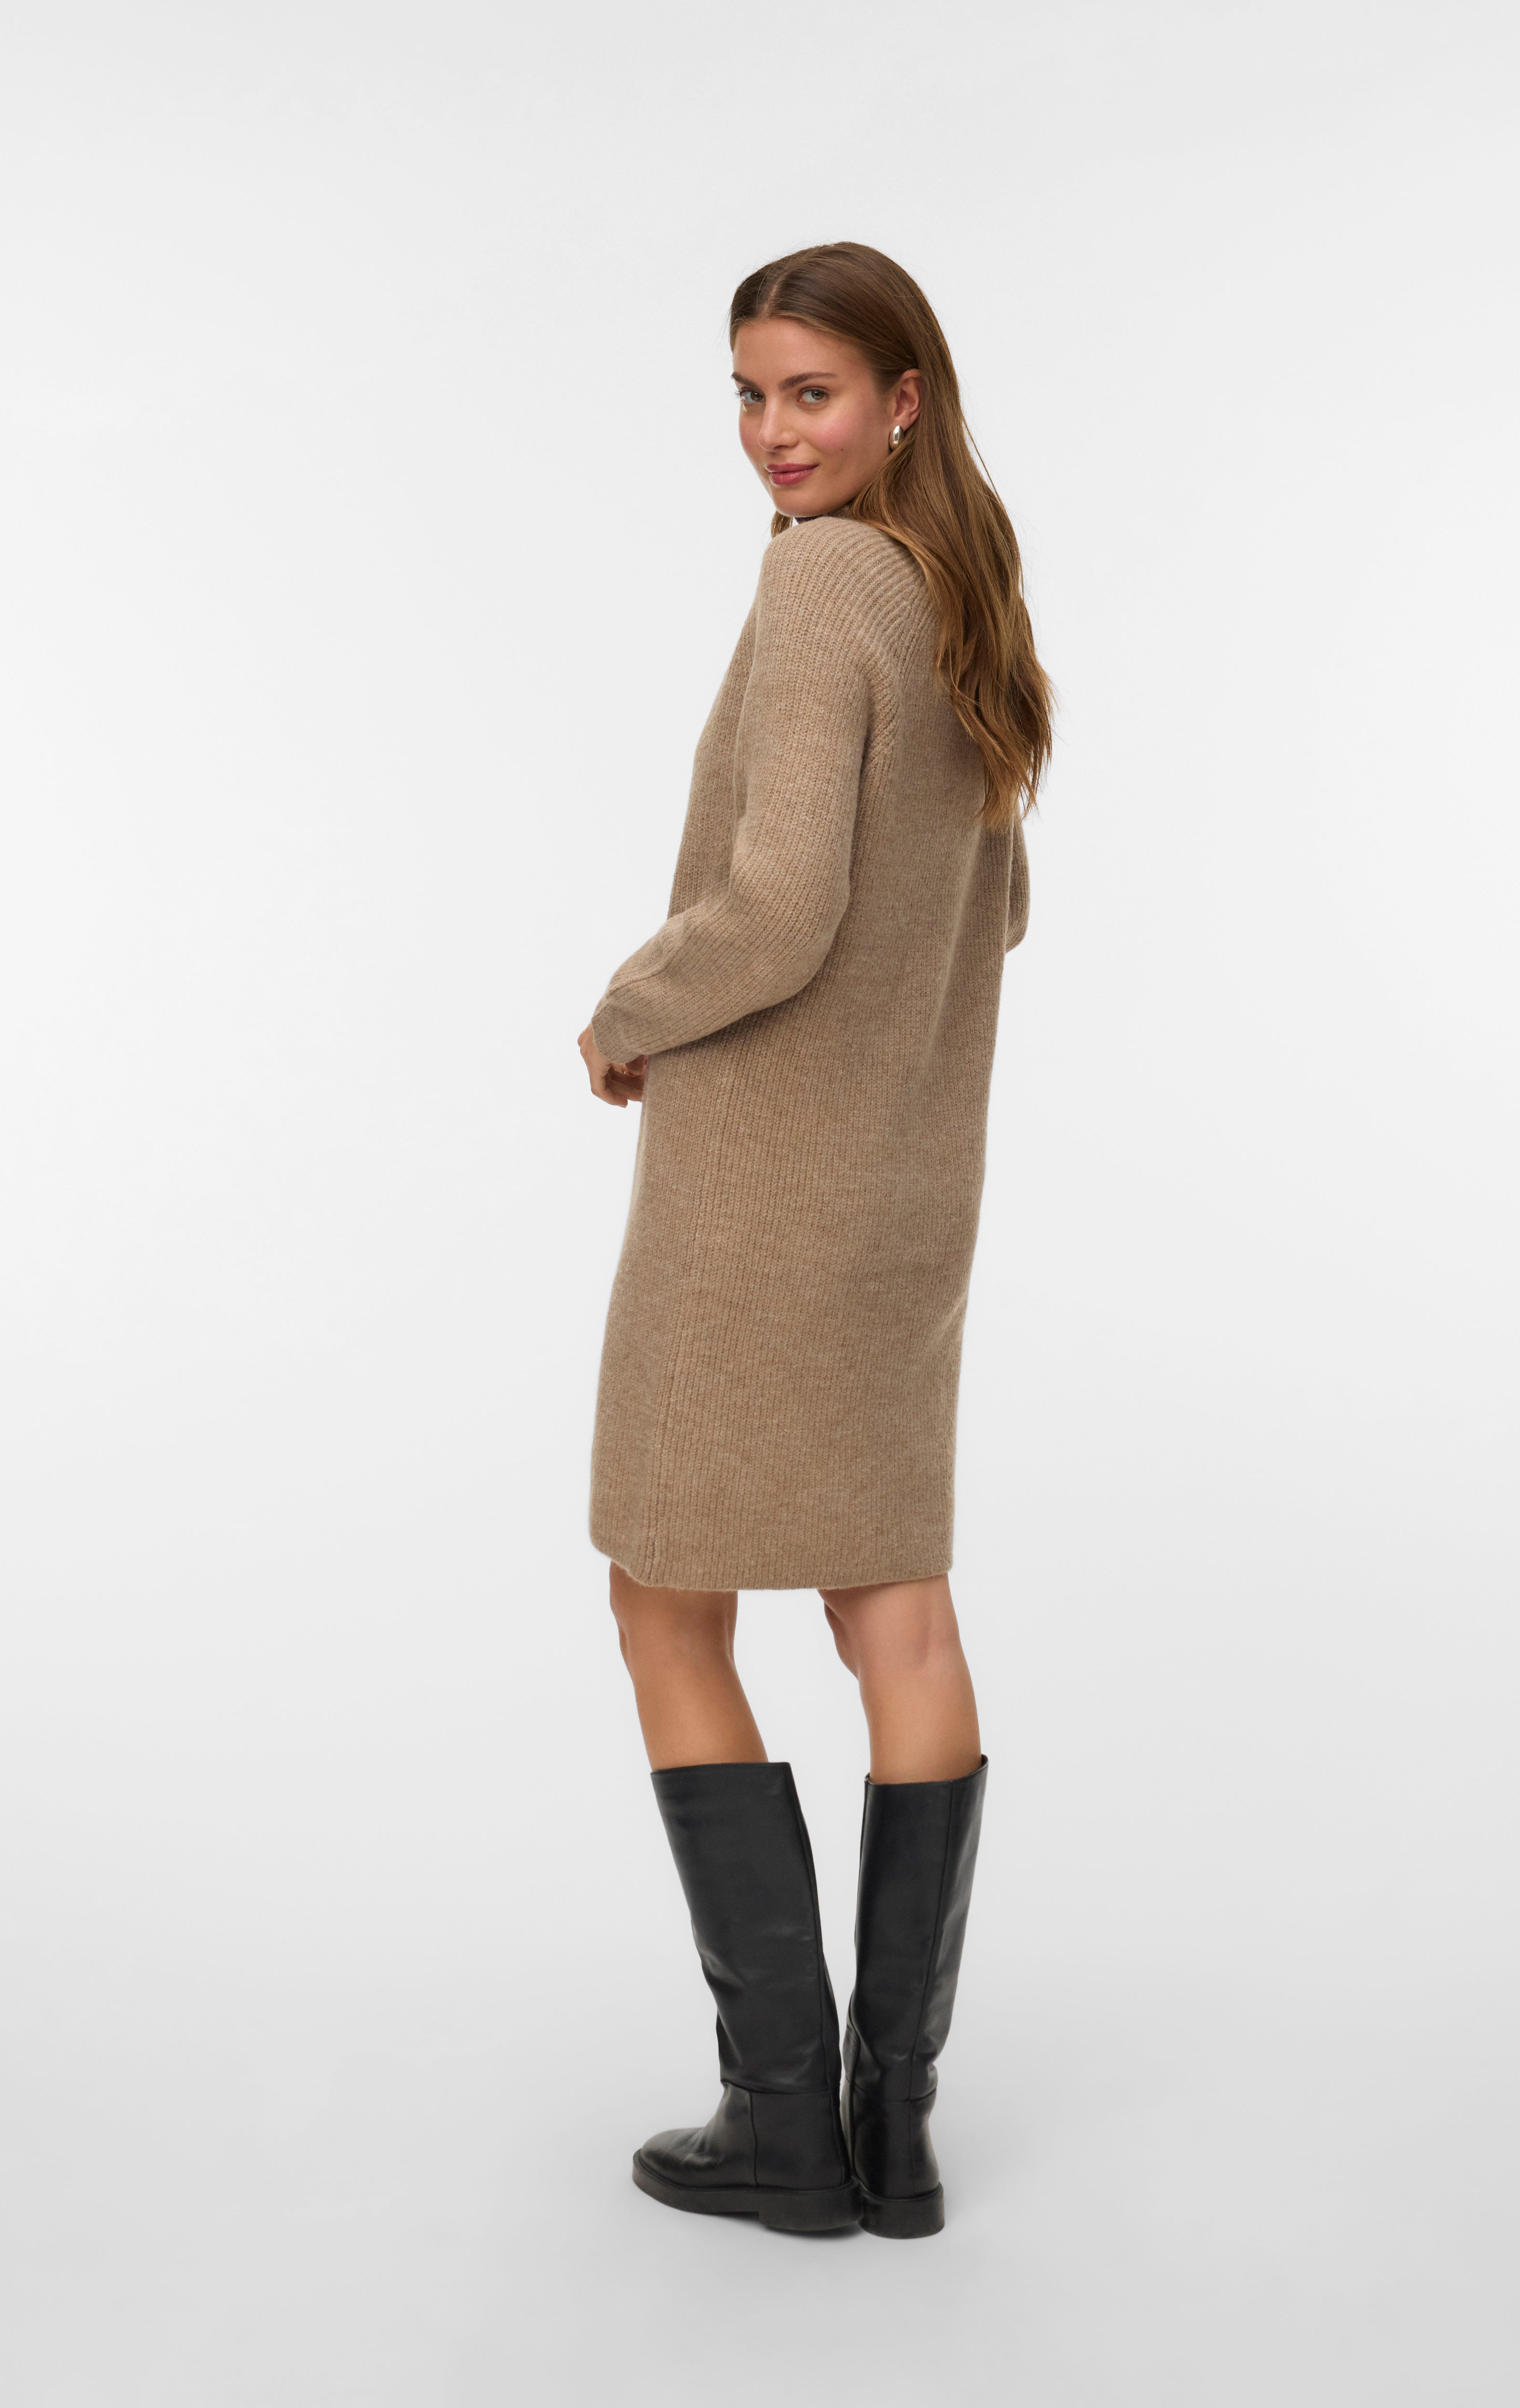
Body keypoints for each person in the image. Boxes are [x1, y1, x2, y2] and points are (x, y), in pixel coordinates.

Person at [577, 241, 1050, 2239]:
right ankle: (895, 2129)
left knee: (662, 1597)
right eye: (750, 395)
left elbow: (775, 909)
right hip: (910, 1189)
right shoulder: (961, 597)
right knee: (896, 1612)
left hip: (761, 1192)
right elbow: (995, 910)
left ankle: (782, 2113)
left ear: (901, 397)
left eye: (811, 393)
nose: (773, 434)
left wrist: (629, 1008)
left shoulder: (822, 584)